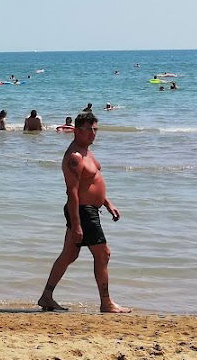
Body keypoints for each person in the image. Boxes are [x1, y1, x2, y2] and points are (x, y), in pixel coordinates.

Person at [38, 111, 129, 313]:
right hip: (83, 212)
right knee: (103, 254)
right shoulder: (75, 157)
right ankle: (106, 302)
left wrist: (106, 202)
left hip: (89, 210)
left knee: (69, 255)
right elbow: (72, 193)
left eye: (95, 129)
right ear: (77, 131)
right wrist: (77, 224)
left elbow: (91, 184)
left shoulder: (87, 152)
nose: (93, 134)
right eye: (89, 130)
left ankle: (46, 296)